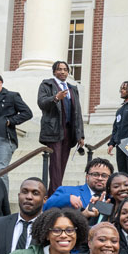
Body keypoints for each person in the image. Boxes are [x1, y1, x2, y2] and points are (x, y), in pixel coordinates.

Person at [0, 72, 33, 189]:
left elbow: (27, 113)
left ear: (0, 83)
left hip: (4, 137)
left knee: (1, 170)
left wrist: (9, 121)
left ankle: (3, 204)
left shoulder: (11, 96)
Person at [37, 61, 85, 192]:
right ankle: (55, 194)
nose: (63, 72)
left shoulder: (72, 88)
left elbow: (78, 112)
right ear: (54, 72)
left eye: (65, 69)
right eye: (59, 69)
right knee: (55, 164)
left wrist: (80, 135)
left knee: (62, 163)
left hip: (69, 131)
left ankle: (55, 190)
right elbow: (41, 103)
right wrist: (56, 98)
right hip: (54, 130)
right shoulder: (46, 85)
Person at [44, 157, 113, 211]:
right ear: (87, 177)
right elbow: (46, 207)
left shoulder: (113, 198)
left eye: (104, 175)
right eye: (95, 174)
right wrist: (68, 198)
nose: (100, 178)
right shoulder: (67, 191)